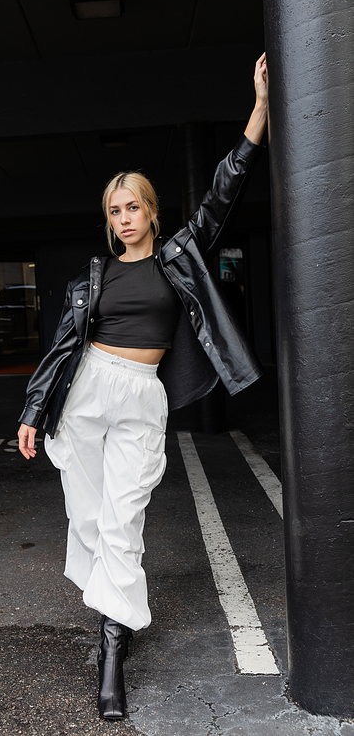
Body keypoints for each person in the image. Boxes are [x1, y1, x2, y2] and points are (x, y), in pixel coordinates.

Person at [18, 54, 268, 720]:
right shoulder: (95, 277)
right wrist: (34, 409)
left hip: (139, 395)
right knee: (90, 519)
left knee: (124, 522)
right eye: (115, 210)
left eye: (133, 207)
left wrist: (260, 112)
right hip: (87, 393)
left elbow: (223, 191)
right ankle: (114, 623)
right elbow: (64, 346)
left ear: (153, 214)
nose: (124, 217)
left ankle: (111, 653)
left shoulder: (179, 255)